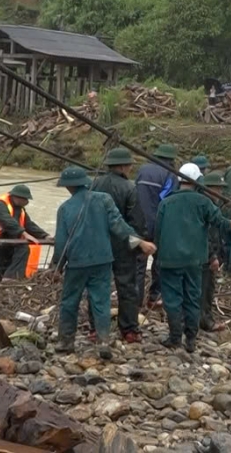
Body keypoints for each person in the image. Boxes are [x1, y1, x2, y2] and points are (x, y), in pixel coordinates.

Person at [52, 166, 156, 358]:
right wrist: (140, 242)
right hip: (102, 260)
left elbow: (61, 242)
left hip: (77, 262)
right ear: (85, 182)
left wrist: (56, 267)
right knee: (101, 301)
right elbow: (120, 227)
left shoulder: (64, 209)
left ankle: (66, 342)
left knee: (69, 301)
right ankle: (103, 341)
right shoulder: (104, 200)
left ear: (68, 187)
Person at [156, 163, 231, 351]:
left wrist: (158, 257)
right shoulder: (204, 203)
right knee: (192, 297)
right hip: (195, 260)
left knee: (172, 299)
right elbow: (224, 224)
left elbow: (157, 233)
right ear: (198, 182)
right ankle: (190, 340)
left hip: (169, 259)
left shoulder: (165, 203)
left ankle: (174, 337)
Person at [90, 147, 146, 343]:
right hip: (123, 244)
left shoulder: (94, 184)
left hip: (97, 242)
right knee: (127, 286)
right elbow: (136, 221)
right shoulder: (130, 188)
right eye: (129, 165)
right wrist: (140, 243)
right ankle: (129, 329)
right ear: (122, 166)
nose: (130, 168)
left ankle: (96, 328)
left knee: (98, 286)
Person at [0, 185, 50, 282]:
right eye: (25, 199)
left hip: (5, 242)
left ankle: (10, 279)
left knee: (23, 248)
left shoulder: (20, 209)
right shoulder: (0, 204)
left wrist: (45, 235)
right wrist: (24, 233)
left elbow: (29, 225)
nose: (27, 202)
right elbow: (7, 220)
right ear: (17, 197)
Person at [135, 143, 178, 307]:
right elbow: (166, 200)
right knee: (159, 261)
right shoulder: (170, 174)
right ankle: (155, 296)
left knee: (139, 264)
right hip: (158, 224)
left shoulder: (142, 169)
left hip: (138, 223)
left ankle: (136, 302)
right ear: (171, 160)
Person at [198, 171, 231, 332]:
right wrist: (213, 257)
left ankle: (198, 319)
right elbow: (208, 235)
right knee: (206, 288)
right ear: (209, 188)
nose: (220, 192)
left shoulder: (206, 204)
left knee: (202, 287)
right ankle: (206, 321)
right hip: (206, 256)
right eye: (218, 188)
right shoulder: (207, 206)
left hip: (202, 254)